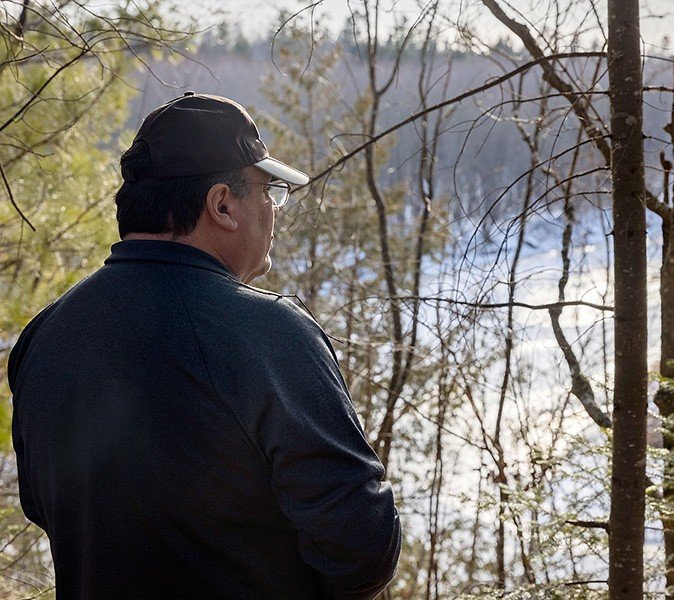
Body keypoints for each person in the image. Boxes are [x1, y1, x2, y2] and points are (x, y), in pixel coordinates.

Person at [8, 92, 401, 599]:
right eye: (270, 191)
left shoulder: (45, 335)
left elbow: (43, 507)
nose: (273, 210)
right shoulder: (269, 334)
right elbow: (363, 548)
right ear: (221, 204)